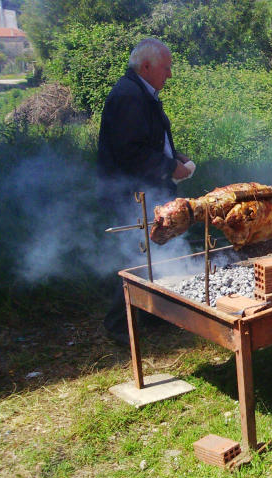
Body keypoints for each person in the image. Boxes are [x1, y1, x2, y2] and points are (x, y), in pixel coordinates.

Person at [98, 37, 193, 346]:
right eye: (166, 68)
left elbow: (149, 140)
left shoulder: (142, 92)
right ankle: (116, 324)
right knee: (139, 256)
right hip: (131, 192)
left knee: (156, 251)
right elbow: (131, 153)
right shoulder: (129, 96)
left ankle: (154, 314)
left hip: (146, 188)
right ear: (148, 66)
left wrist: (173, 157)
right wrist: (169, 168)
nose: (169, 74)